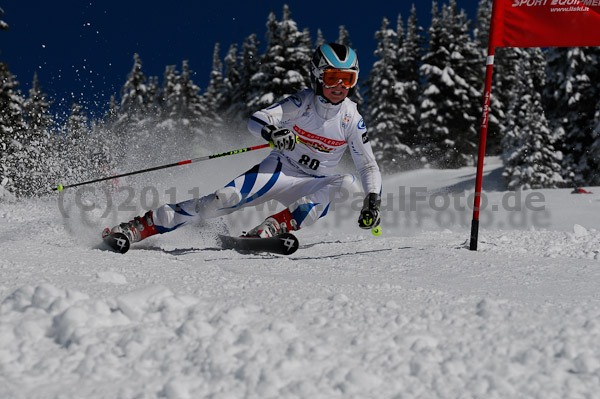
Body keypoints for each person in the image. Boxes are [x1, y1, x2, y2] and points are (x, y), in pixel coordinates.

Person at [103, 43, 382, 245]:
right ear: (317, 76)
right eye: (333, 77)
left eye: (348, 79)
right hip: (279, 171)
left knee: (346, 184)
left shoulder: (351, 118)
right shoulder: (301, 103)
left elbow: (367, 165)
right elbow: (258, 119)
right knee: (221, 201)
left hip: (314, 182)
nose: (340, 86)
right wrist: (273, 133)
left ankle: (273, 227)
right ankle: (139, 227)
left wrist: (372, 201)